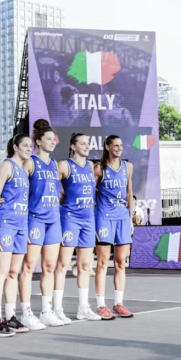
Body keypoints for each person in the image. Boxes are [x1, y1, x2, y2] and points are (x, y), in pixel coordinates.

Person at [19, 121, 64, 330]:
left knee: (49, 267)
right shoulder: (30, 162)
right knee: (29, 267)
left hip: (54, 219)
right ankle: (26, 313)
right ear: (38, 142)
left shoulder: (54, 164)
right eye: (48, 139)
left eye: (54, 139)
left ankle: (46, 311)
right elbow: (16, 185)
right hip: (35, 219)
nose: (53, 142)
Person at [0, 134, 32, 337]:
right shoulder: (7, 166)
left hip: (21, 225)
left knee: (14, 273)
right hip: (5, 224)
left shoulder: (24, 170)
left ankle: (10, 316)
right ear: (15, 147)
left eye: (31, 146)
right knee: (1, 273)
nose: (29, 149)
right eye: (25, 145)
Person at [56, 133, 104, 322]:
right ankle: (57, 309)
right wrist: (61, 199)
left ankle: (83, 308)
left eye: (88, 143)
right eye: (82, 143)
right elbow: (49, 186)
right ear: (73, 146)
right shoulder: (65, 165)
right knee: (63, 264)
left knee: (85, 265)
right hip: (70, 218)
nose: (86, 146)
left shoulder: (91, 166)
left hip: (88, 219)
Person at [94, 135, 134, 319]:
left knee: (120, 262)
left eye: (121, 145)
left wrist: (130, 219)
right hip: (104, 217)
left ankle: (119, 303)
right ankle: (101, 305)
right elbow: (89, 192)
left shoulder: (128, 167)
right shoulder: (99, 168)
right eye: (115, 145)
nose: (119, 148)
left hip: (122, 218)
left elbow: (129, 193)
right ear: (107, 147)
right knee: (102, 262)